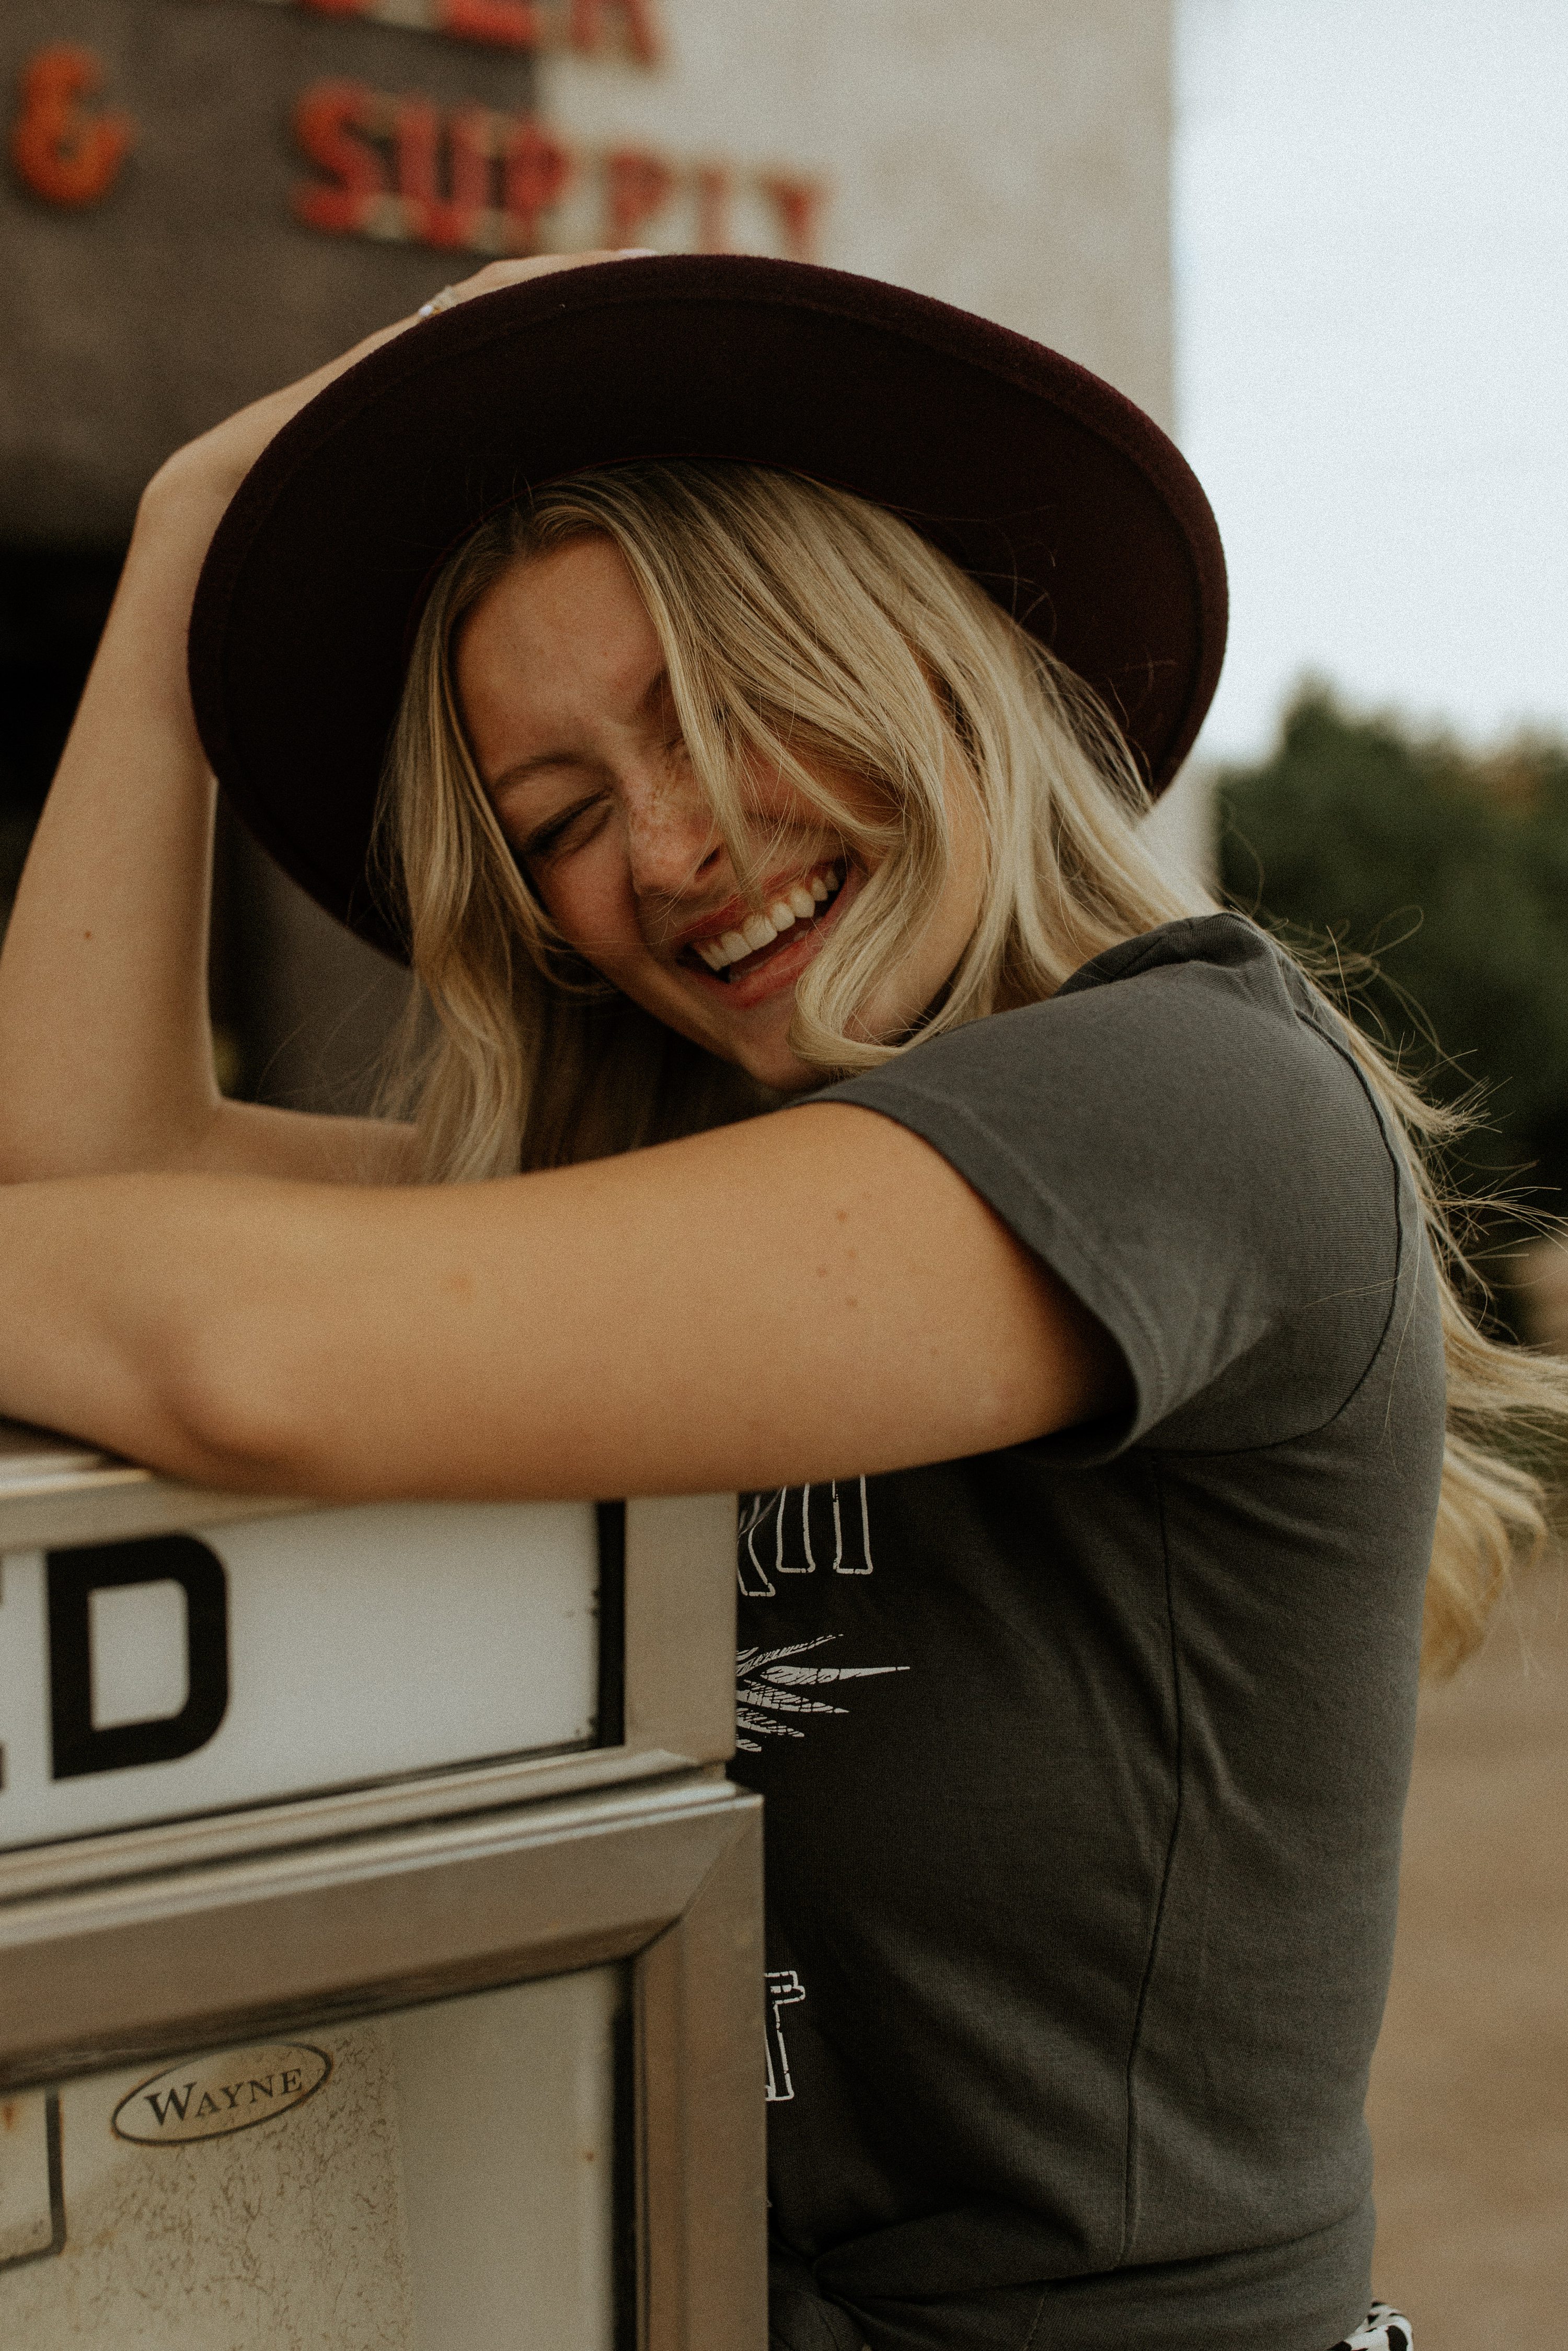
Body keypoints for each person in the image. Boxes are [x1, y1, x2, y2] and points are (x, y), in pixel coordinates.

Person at [0, 252, 1556, 2351]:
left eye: (716, 710)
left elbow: (226, 1347)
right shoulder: (685, 1212)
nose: (671, 843)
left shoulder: (1192, 1105)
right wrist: (190, 524)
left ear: (908, 650)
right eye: (561, 820)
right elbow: (82, 1182)